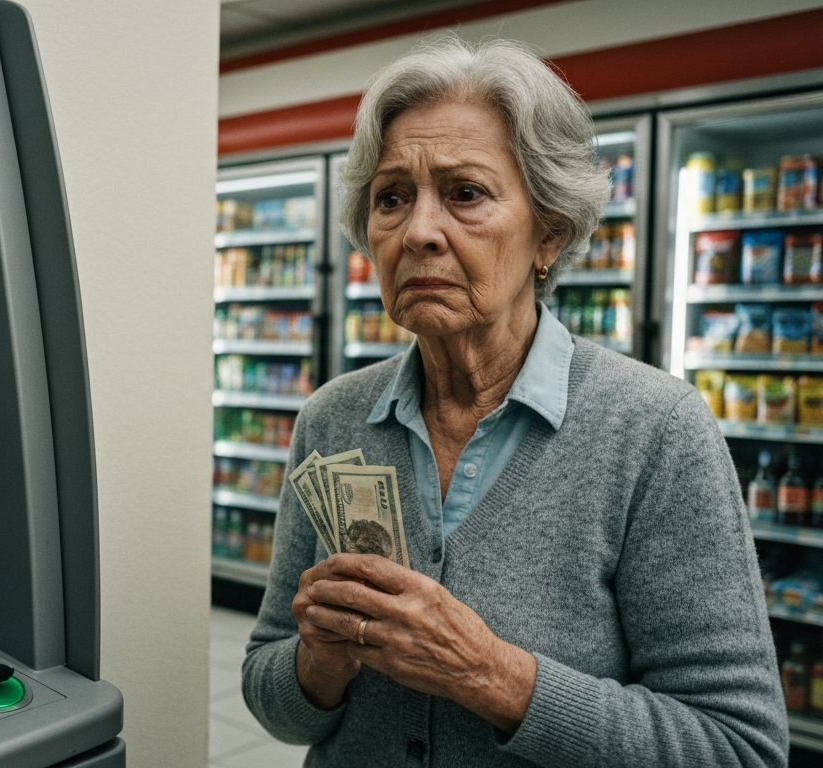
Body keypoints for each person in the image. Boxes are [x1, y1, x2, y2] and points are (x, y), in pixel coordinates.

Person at [242, 36, 788, 767]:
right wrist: (316, 665)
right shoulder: (333, 418)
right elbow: (271, 694)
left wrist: (491, 675)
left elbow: (738, 747)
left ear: (549, 232)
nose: (419, 232)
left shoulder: (655, 430)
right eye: (392, 198)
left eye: (465, 193)